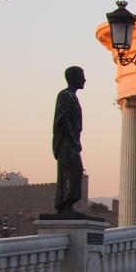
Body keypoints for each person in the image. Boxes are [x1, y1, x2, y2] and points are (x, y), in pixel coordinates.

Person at [52, 66, 86, 217]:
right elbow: (62, 119)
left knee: (72, 171)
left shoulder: (72, 96)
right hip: (66, 142)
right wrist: (73, 139)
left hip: (71, 141)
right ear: (73, 78)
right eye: (81, 76)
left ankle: (65, 206)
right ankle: (66, 206)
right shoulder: (65, 95)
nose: (84, 80)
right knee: (72, 171)